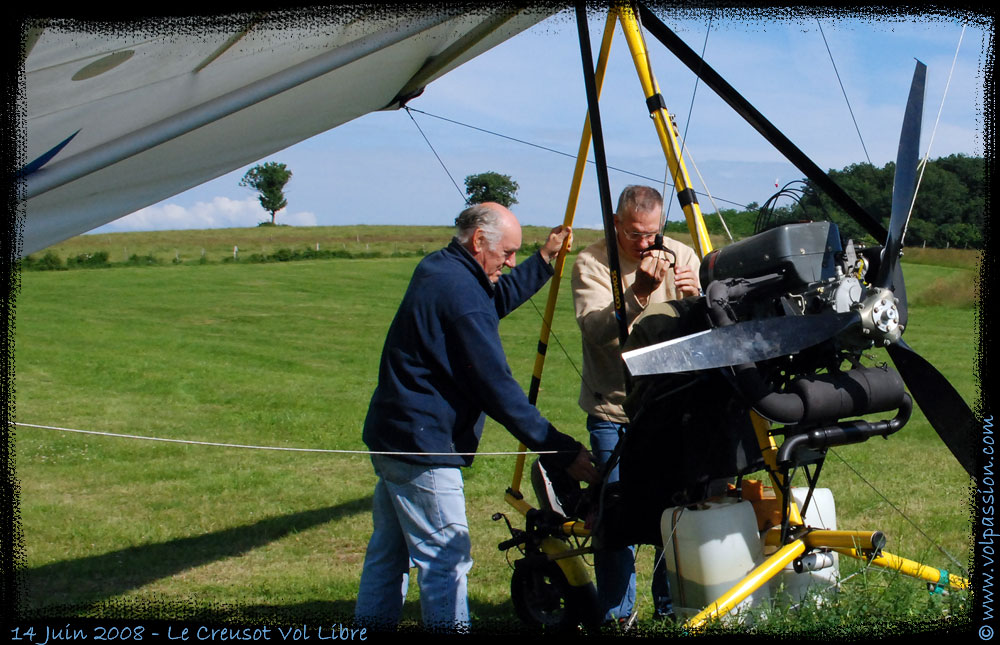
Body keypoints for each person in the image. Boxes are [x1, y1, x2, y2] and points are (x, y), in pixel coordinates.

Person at [355, 202, 599, 632]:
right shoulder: (459, 292)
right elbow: (499, 391)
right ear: (476, 241)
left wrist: (542, 260)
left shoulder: (441, 268)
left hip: (394, 437)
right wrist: (561, 449)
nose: (509, 262)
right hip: (422, 447)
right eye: (506, 253)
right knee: (446, 560)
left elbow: (489, 300)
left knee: (388, 556)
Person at [570, 185, 702, 624]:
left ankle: (670, 611)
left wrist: (697, 298)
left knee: (674, 514)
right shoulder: (591, 262)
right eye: (634, 235)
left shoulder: (682, 255)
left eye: (652, 234)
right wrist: (638, 294)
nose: (645, 244)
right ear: (615, 224)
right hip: (613, 408)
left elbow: (704, 333)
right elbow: (597, 334)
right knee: (616, 516)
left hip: (668, 406)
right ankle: (616, 616)